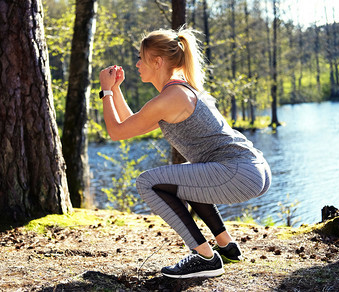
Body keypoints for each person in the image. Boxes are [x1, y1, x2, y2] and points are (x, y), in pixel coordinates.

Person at [99, 28, 272, 279]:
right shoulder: (177, 92)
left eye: (141, 57)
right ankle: (226, 246)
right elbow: (129, 124)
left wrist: (105, 91)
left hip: (240, 173)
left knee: (147, 182)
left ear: (157, 61)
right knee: (184, 177)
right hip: (252, 169)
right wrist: (115, 89)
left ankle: (204, 257)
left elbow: (115, 132)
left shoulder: (172, 96)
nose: (136, 64)